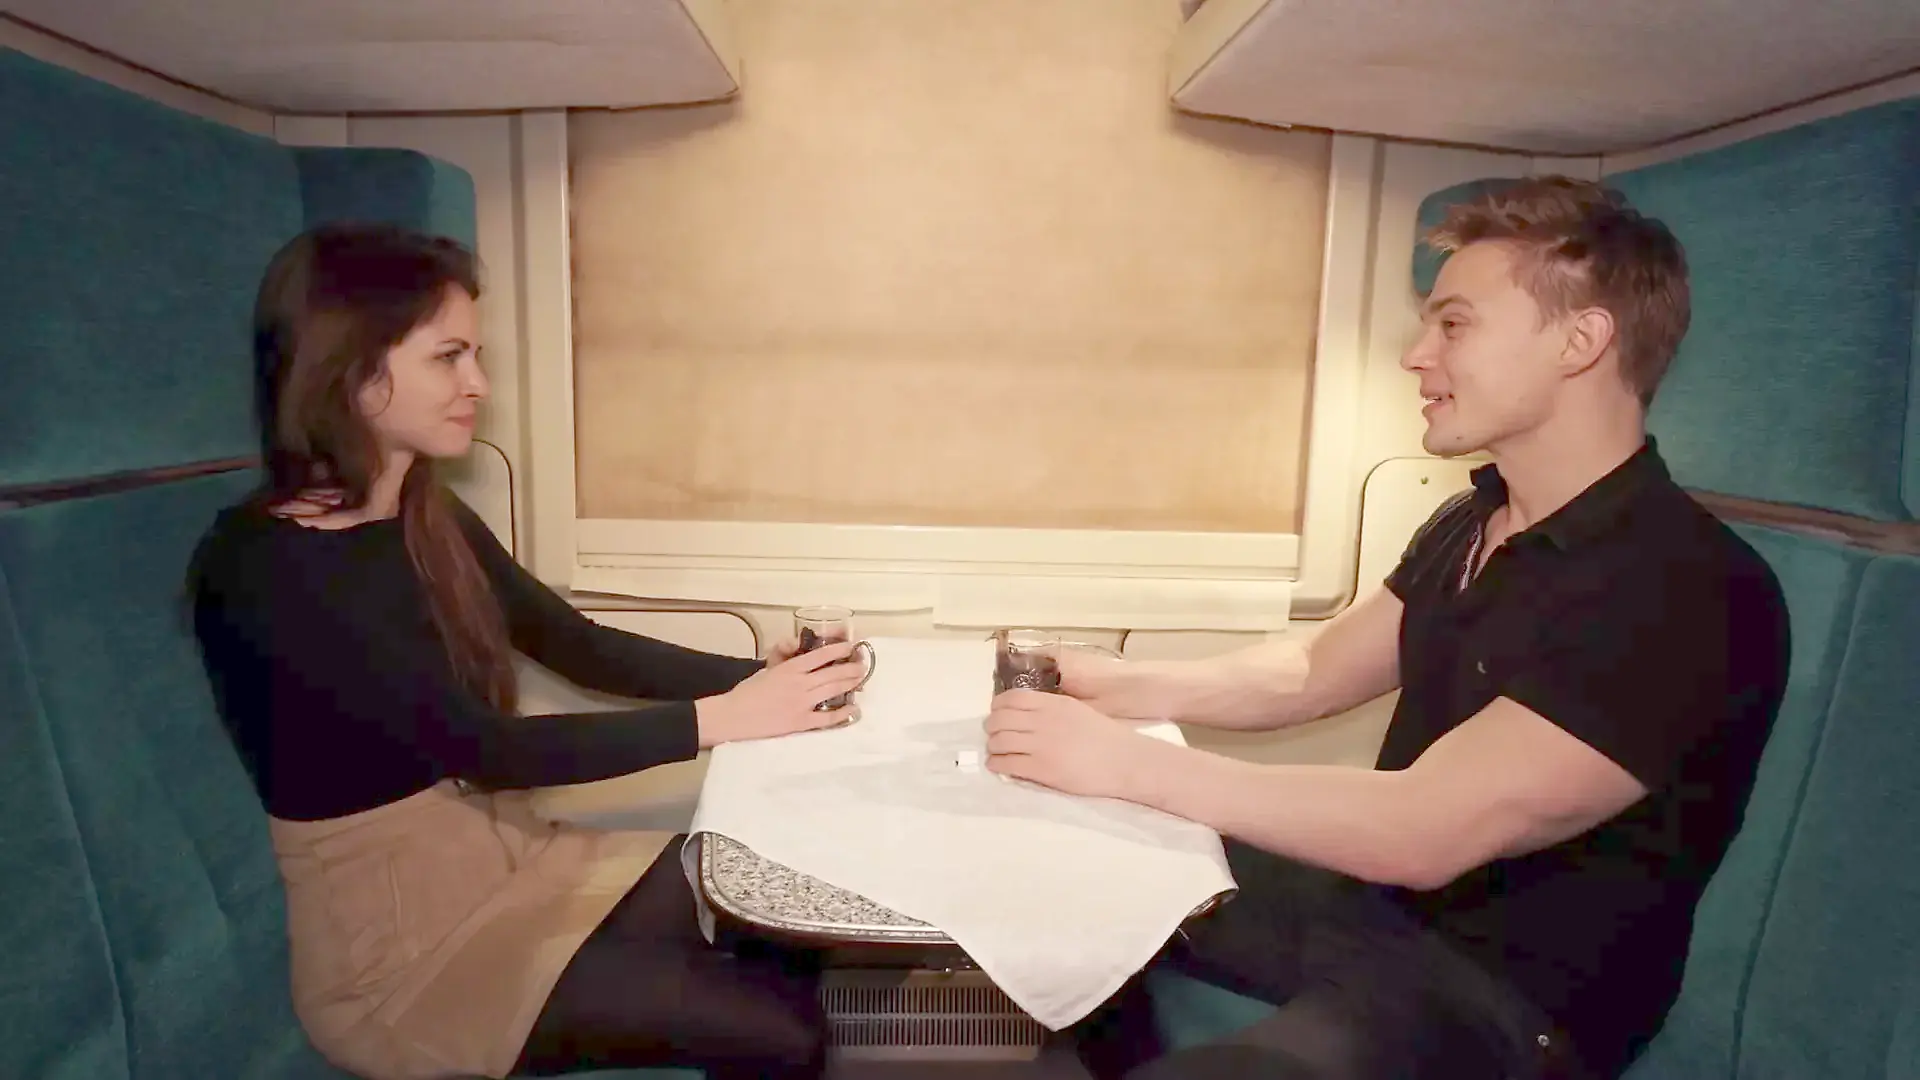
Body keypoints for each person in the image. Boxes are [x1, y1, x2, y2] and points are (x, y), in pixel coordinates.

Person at [983, 177, 1791, 1079]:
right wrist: (1118, 685)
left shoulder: (1686, 587)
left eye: (1454, 324)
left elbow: (1426, 828)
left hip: (1505, 996)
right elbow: (1311, 670)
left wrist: (1131, 765)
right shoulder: (1475, 519)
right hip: (1375, 906)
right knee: (1081, 868)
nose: (1416, 355)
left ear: (1581, 341)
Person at [189, 222, 865, 1080]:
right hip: (403, 958)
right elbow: (484, 749)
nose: (478, 384)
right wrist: (722, 719)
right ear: (351, 370)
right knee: (783, 1034)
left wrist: (774, 682)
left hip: (510, 861)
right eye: (449, 357)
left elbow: (577, 645)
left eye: (475, 356)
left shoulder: (424, 516)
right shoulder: (263, 567)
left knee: (783, 903)